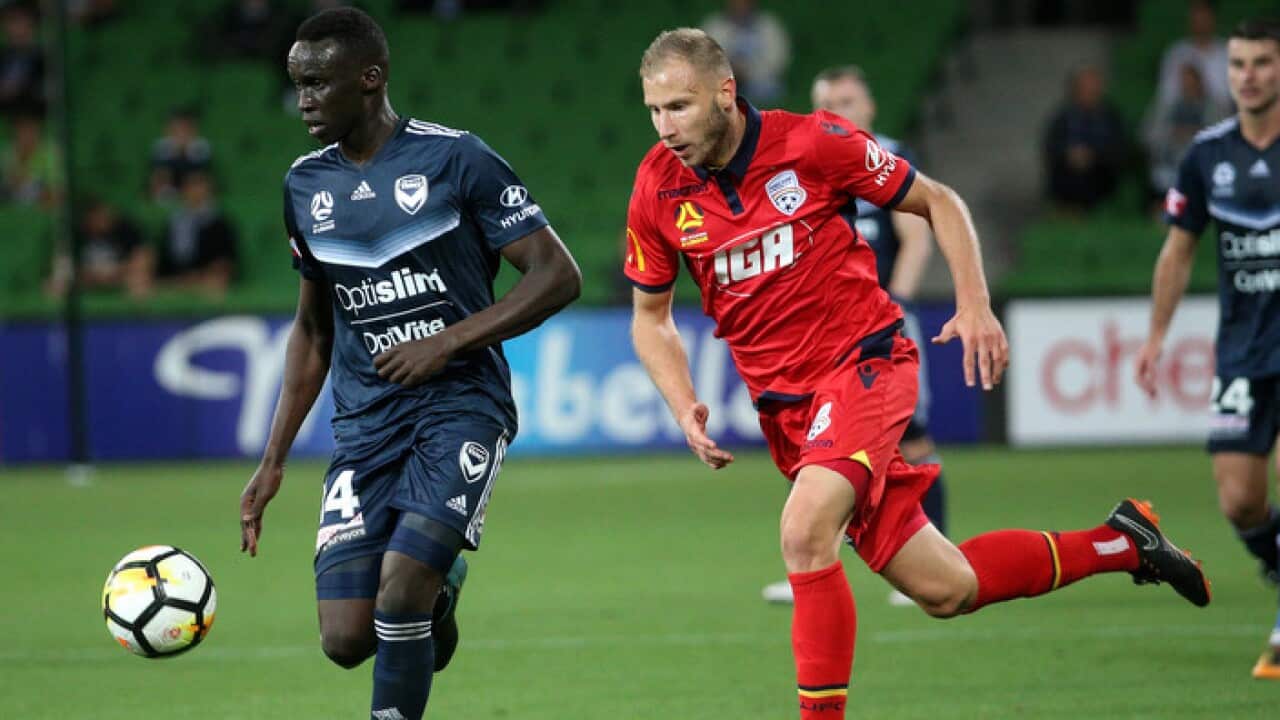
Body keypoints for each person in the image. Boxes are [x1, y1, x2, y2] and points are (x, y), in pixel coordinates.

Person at [627, 28, 1210, 718]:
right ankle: (1122, 542)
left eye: (680, 107)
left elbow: (938, 201)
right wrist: (681, 398)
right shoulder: (658, 187)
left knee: (803, 530)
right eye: (655, 111)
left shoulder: (813, 143)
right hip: (788, 410)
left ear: (725, 92)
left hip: (866, 364)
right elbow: (651, 317)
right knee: (947, 588)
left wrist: (974, 303)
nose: (666, 128)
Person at [236, 8, 580, 720]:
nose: (302, 100)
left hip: (461, 405)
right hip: (365, 426)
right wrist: (273, 459)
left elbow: (556, 274)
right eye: (296, 84)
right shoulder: (304, 186)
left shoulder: (457, 160)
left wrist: (448, 341)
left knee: (398, 590)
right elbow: (312, 327)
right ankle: (440, 589)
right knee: (345, 637)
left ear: (370, 79)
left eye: (317, 83)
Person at [761, 65, 947, 609]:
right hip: (820, 333)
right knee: (814, 446)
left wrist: (897, 304)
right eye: (830, 102)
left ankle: (937, 549)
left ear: (868, 108)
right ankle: (813, 566)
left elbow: (915, 237)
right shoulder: (806, 162)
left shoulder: (886, 156)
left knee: (913, 443)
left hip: (880, 325)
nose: (841, 111)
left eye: (849, 100)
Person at [1137, 18, 1280, 681]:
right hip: (1243, 353)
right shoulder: (1205, 155)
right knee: (1240, 501)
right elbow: (1178, 250)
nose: (1249, 75)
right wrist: (1157, 336)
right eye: (1240, 64)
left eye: (1262, 63)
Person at [1043, 64, 1128, 212]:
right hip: (1069, 171)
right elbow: (1051, 146)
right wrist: (1070, 153)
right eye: (1085, 88)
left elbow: (1120, 147)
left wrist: (1092, 154)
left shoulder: (1110, 116)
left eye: (1094, 87)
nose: (1091, 92)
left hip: (1100, 172)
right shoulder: (1064, 117)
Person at [143, 170, 239, 298]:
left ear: (209, 191)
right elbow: (164, 256)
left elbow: (227, 260)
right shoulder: (173, 222)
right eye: (191, 187)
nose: (195, 191)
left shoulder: (221, 223)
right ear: (183, 191)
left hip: (206, 277)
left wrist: (200, 275)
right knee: (141, 285)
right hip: (176, 278)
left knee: (215, 285)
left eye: (200, 186)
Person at [45, 196, 148, 298]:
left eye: (101, 216)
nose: (98, 221)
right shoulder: (77, 233)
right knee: (55, 285)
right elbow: (64, 264)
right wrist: (90, 275)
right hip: (86, 279)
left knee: (140, 282)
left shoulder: (126, 229)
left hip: (121, 277)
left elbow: (143, 258)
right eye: (93, 217)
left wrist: (116, 272)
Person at [701, 0, 790, 104]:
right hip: (724, 80)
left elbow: (777, 60)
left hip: (758, 81)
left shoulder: (768, 25)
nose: (740, 5)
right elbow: (705, 58)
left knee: (769, 90)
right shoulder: (714, 26)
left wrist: (747, 71)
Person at [1155, 0, 1231, 115]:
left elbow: (1229, 99)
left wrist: (1201, 91)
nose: (1199, 22)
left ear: (1213, 18)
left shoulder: (1227, 52)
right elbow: (1166, 97)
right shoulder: (1176, 52)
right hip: (1180, 118)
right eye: (1195, 16)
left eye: (1204, 16)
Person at [148, 107, 213, 202]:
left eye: (184, 129)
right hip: (171, 181)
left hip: (191, 180)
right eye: (176, 129)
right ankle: (163, 199)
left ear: (192, 130)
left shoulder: (201, 145)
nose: (181, 133)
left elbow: (200, 170)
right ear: (169, 130)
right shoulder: (162, 145)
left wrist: (184, 149)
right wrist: (176, 150)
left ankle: (197, 200)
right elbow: (160, 170)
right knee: (160, 175)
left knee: (198, 177)